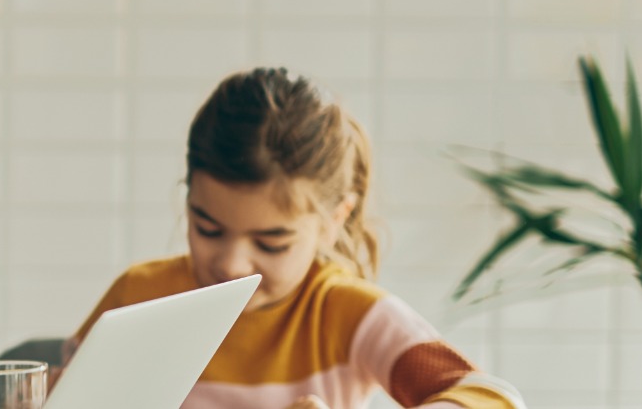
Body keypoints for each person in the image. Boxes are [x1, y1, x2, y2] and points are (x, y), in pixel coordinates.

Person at [66, 68, 524, 409]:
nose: (232, 264)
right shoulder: (137, 297)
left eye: (271, 243)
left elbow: (492, 398)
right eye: (207, 228)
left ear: (333, 221)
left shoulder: (348, 313)